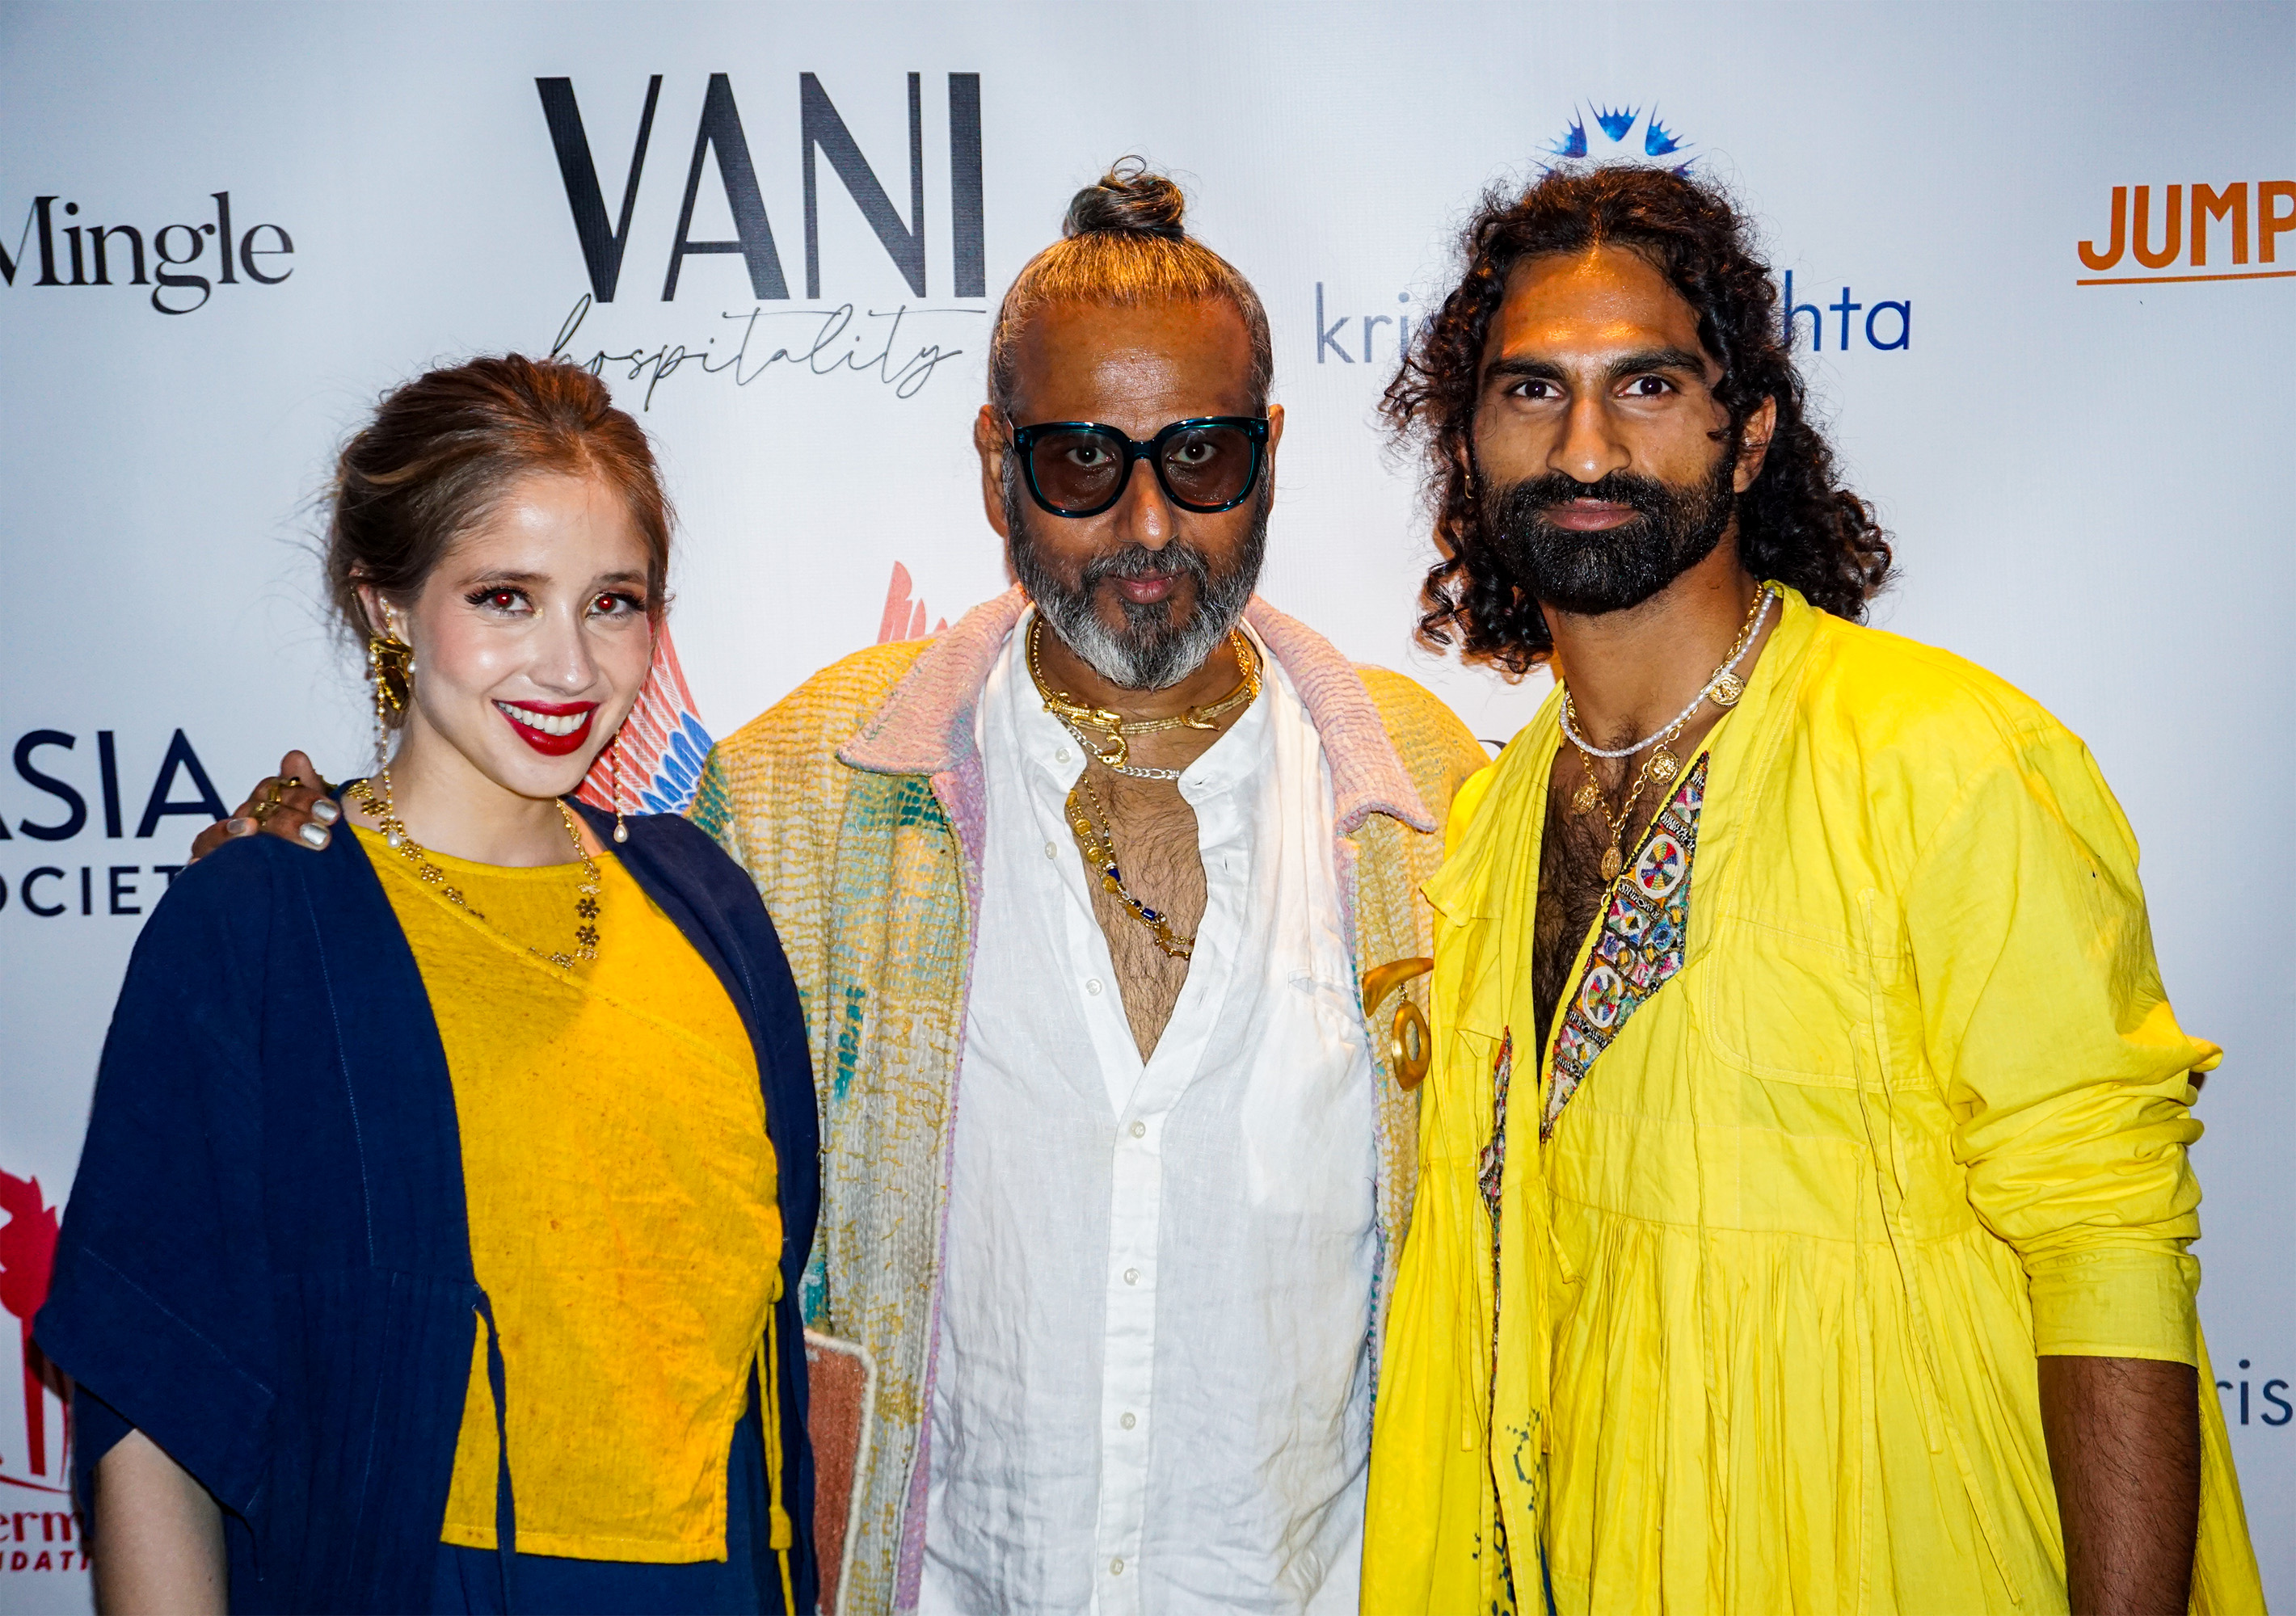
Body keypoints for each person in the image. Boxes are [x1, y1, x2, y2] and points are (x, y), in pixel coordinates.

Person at [198, 165, 1489, 1614]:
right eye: (1080, 462)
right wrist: (344, 875)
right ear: (995, 459)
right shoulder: (801, 793)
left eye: (1199, 458)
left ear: (1268, 451)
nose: (1145, 526)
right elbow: (549, 1043)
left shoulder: (1438, 805)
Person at [1361, 165, 2263, 1615]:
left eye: (1645, 387)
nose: (1583, 445)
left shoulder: (1948, 758)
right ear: (1465, 443)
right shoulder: (1487, 817)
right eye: (1530, 393)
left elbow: (2104, 1236)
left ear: (1748, 434)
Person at [40, 356, 821, 1614]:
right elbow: (155, 1406)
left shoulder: (709, 905)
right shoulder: (257, 924)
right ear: (388, 608)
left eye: (614, 602)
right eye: (506, 597)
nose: (568, 666)